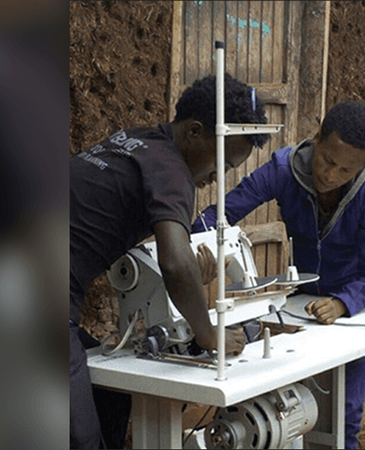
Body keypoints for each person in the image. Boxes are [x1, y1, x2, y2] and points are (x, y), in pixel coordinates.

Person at [70, 73, 266, 449]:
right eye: (221, 166)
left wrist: (189, 266)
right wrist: (208, 333)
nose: (215, 178)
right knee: (79, 439)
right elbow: (174, 264)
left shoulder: (134, 140)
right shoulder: (173, 171)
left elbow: (102, 223)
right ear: (193, 132)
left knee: (109, 395)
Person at [192, 101, 365, 449]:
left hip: (348, 312)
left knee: (344, 418)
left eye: (345, 171)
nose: (331, 175)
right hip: (299, 306)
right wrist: (193, 241)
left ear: (363, 166)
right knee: (283, 410)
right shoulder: (284, 169)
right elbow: (226, 211)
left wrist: (342, 303)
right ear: (316, 139)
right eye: (327, 160)